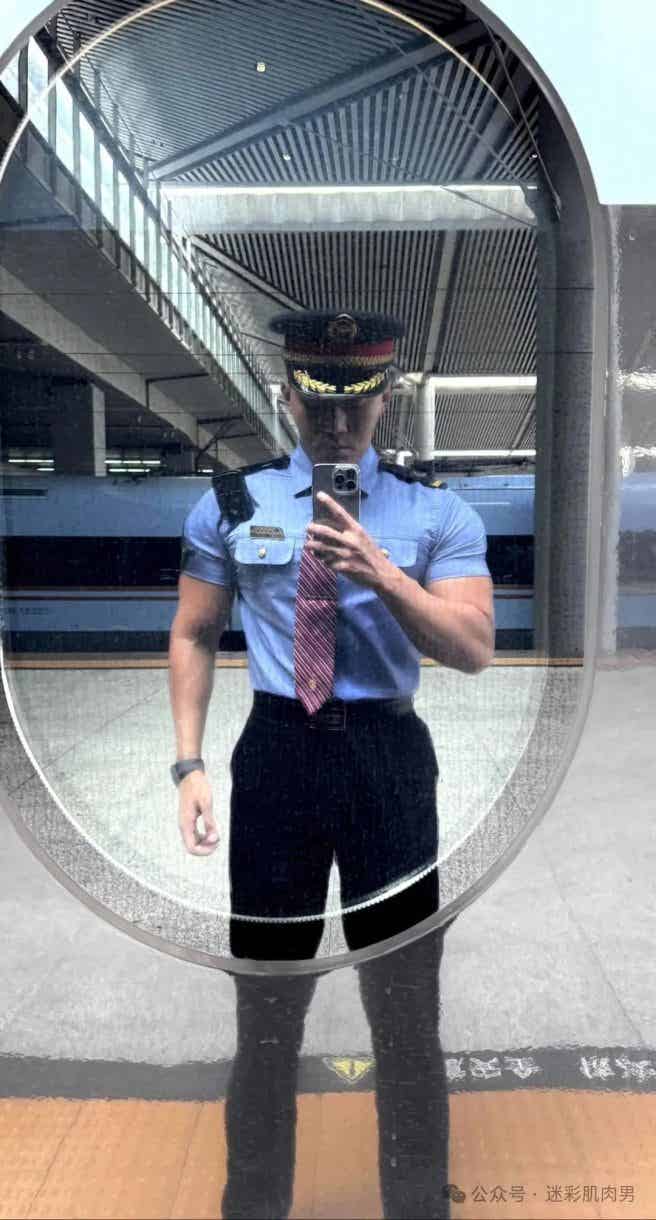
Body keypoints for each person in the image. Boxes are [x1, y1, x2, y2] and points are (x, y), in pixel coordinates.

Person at [168, 309, 494, 1218]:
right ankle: (254, 1204)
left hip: (389, 760)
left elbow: (475, 648)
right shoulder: (232, 504)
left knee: (406, 1008)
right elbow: (194, 631)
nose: (338, 424)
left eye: (357, 404)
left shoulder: (435, 511)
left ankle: (418, 1204)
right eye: (319, 404)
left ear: (387, 399)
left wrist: (384, 574)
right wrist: (189, 764)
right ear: (290, 398)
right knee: (266, 1006)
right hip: (277, 754)